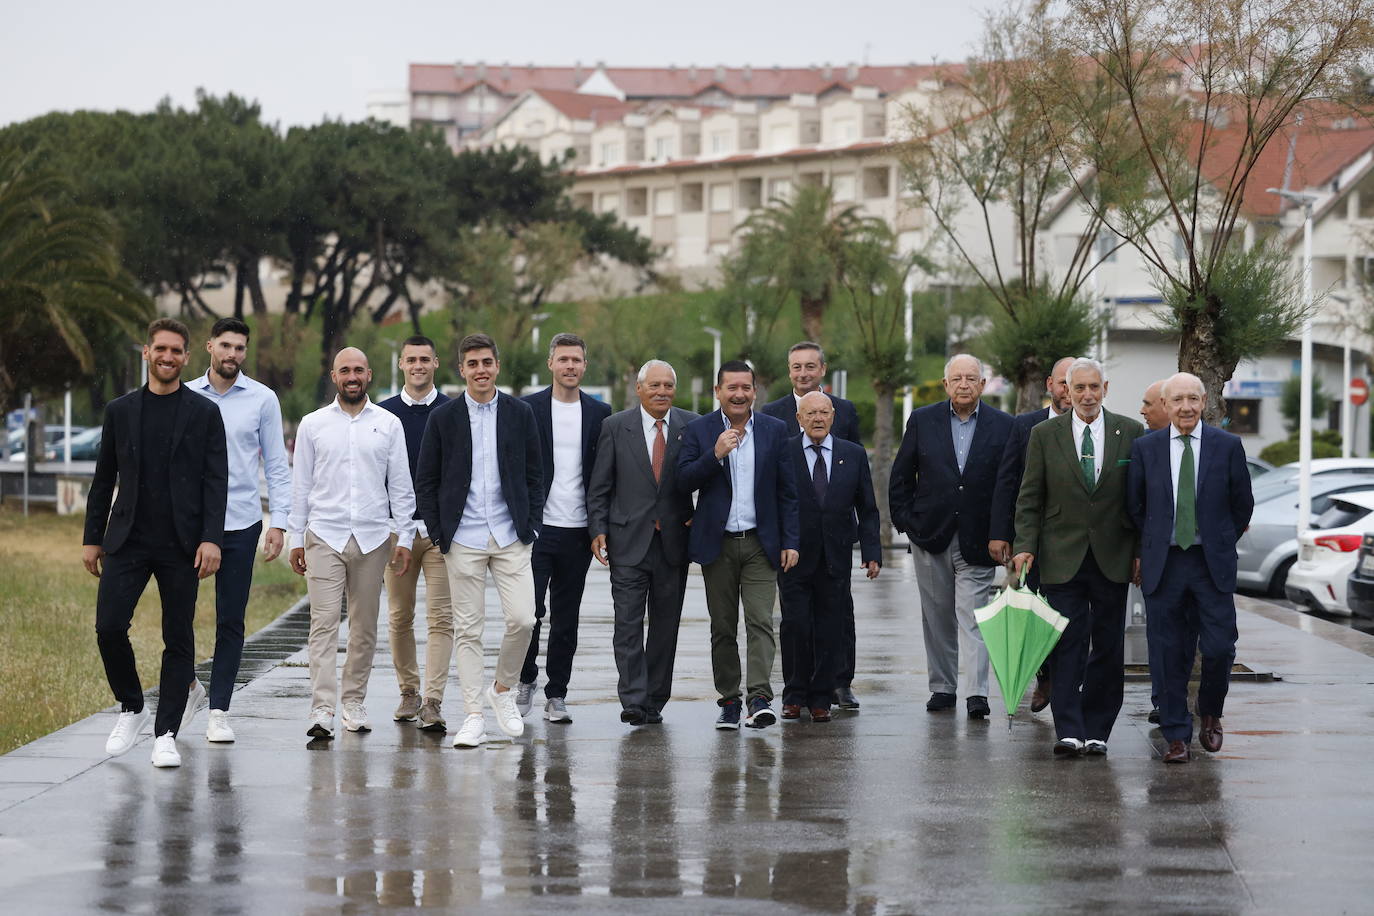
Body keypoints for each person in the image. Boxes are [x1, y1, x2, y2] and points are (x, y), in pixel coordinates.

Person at [83, 317, 228, 768]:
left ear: (187, 357)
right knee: (108, 626)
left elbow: (215, 482)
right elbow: (104, 478)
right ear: (146, 352)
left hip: (182, 544)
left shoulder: (204, 412)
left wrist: (211, 539)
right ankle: (132, 706)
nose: (167, 357)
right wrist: (92, 539)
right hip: (127, 539)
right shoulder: (120, 410)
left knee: (178, 638)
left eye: (176, 351)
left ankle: (166, 732)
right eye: (159, 349)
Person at [415, 333, 543, 749]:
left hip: (511, 536)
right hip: (463, 538)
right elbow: (427, 480)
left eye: (487, 362)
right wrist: (439, 533)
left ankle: (502, 690)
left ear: (497, 366)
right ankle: (472, 715)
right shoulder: (444, 418)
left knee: (524, 618)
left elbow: (535, 475)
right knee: (468, 630)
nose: (481, 370)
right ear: (462, 370)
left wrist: (532, 526)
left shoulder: (520, 414)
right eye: (473, 364)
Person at [1012, 357, 1144, 757]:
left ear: (1106, 390)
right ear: (1066, 391)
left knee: (1107, 644)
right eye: (1079, 388)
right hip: (1060, 554)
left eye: (1094, 387)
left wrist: (1139, 552)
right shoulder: (1044, 434)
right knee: (1067, 641)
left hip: (1112, 553)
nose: (1087, 395)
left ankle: (1098, 728)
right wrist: (1024, 545)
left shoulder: (1131, 432)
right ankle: (1068, 728)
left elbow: (1141, 500)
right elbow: (1030, 495)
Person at [289, 347, 414, 740]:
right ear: (334, 376)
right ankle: (322, 708)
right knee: (323, 624)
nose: (352, 376)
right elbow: (301, 485)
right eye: (345, 370)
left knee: (364, 626)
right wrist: (296, 536)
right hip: (324, 534)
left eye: (359, 369)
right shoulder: (313, 425)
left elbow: (400, 484)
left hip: (374, 537)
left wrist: (405, 535)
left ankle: (353, 701)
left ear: (370, 374)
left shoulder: (390, 424)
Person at [1128, 372, 1254, 764]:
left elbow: (1242, 504)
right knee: (1166, 653)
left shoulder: (1227, 446)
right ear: (1166, 406)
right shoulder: (1145, 448)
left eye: (1193, 400)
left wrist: (1217, 541)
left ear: (1204, 403)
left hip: (1209, 564)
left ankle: (1211, 711)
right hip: (1164, 564)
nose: (1185, 407)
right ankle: (1177, 735)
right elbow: (1135, 506)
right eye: (1177, 400)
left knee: (1219, 647)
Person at [185, 317, 292, 744]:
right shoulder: (186, 395)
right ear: (210, 346)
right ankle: (191, 688)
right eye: (225, 346)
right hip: (189, 526)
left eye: (240, 348)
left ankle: (219, 710)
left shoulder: (263, 400)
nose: (232, 354)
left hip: (242, 523)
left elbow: (277, 467)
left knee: (231, 619)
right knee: (180, 615)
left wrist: (278, 522)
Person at [890, 354, 1013, 719]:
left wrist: (1003, 533)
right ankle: (943, 687)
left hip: (980, 538)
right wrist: (907, 522)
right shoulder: (922, 420)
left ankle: (977, 693)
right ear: (946, 384)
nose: (963, 384)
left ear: (982, 384)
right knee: (937, 615)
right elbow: (901, 476)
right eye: (957, 378)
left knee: (974, 615)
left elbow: (1010, 484)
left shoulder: (1004, 426)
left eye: (971, 378)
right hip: (930, 533)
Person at [678, 360, 800, 730]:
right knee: (723, 627)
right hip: (718, 545)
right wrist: (714, 454)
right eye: (731, 387)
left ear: (754, 391)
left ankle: (759, 698)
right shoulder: (699, 431)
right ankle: (729, 701)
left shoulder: (775, 431)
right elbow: (681, 481)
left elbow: (788, 492)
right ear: (718, 391)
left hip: (762, 544)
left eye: (745, 387)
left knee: (761, 621)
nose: (739, 394)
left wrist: (790, 540)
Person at [587, 359, 698, 725]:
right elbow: (600, 485)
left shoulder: (691, 426)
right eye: (654, 386)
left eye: (668, 385)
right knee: (628, 624)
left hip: (673, 543)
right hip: (627, 540)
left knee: (666, 626)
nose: (662, 391)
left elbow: (708, 478)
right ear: (639, 389)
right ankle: (633, 698)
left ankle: (654, 700)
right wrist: (597, 529)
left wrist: (700, 516)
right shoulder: (615, 427)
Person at [760, 340, 863, 708]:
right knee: (796, 617)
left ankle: (840, 681)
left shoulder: (846, 411)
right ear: (789, 371)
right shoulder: (771, 413)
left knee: (839, 612)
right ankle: (798, 688)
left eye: (810, 367)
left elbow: (856, 469)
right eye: (796, 367)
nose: (803, 373)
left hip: (835, 533)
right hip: (794, 536)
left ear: (823, 369)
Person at [517, 333, 612, 723]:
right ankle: (525, 681)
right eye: (563, 359)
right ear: (551, 363)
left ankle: (558, 694)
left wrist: (600, 527)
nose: (570, 366)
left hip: (578, 532)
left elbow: (606, 474)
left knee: (566, 617)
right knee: (528, 612)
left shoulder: (600, 413)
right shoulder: (528, 409)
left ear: (584, 366)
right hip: (538, 530)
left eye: (577, 360)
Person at [779, 392, 881, 722]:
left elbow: (867, 507)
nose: (818, 418)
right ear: (799, 418)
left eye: (824, 412)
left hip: (836, 555)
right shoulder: (786, 452)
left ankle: (822, 696)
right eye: (810, 413)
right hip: (793, 555)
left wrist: (871, 551)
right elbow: (775, 501)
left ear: (833, 416)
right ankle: (794, 693)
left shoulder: (852, 454)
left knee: (829, 627)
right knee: (795, 625)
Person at [987, 355, 1075, 713]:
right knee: (1030, 610)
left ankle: (1067, 676)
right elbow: (1007, 480)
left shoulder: (1101, 428)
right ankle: (1045, 673)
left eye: (1077, 381)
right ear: (1049, 386)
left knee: (1069, 612)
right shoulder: (1025, 426)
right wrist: (999, 533)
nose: (1070, 389)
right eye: (1063, 381)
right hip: (1032, 539)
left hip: (1077, 540)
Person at [376, 336, 452, 731]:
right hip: (396, 533)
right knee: (399, 615)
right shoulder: (384, 414)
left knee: (441, 619)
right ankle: (409, 691)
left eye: (425, 358)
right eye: (411, 360)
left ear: (436, 363)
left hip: (440, 534)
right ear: (401, 364)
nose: (419, 365)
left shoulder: (453, 411)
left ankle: (434, 701)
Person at [1136, 377, 1175, 725]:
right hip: (1157, 559)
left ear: (1166, 405)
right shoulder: (1144, 447)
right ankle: (1162, 699)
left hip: (1202, 561)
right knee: (1158, 634)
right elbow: (1135, 505)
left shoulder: (1213, 445)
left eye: (1148, 404)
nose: (1142, 411)